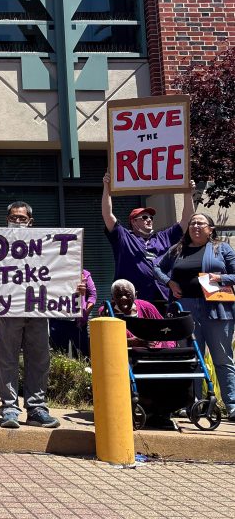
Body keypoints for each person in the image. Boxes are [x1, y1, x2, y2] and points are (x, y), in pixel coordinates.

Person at [0, 201, 85, 429]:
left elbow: (59, 273)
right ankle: (9, 408)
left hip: (38, 310)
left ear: (31, 221)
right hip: (8, 311)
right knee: (6, 359)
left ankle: (36, 408)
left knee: (39, 358)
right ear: (7, 218)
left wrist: (74, 288)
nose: (17, 221)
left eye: (22, 218)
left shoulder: (45, 247)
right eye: (13, 217)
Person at [154, 213, 235, 421]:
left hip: (217, 310)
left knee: (222, 358)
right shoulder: (177, 249)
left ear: (211, 229)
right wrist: (169, 282)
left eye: (201, 223)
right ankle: (193, 404)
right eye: (193, 223)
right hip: (185, 311)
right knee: (191, 359)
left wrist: (221, 277)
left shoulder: (221, 248)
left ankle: (232, 406)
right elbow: (156, 267)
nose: (196, 226)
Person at [102, 172, 195, 302]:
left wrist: (188, 193)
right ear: (134, 222)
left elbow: (187, 219)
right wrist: (107, 187)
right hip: (132, 299)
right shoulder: (124, 237)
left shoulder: (164, 237)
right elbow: (108, 215)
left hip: (163, 295)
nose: (149, 220)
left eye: (151, 217)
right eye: (144, 217)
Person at [93, 279, 175, 349]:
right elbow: (107, 342)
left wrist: (168, 349)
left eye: (127, 295)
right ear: (112, 297)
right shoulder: (106, 311)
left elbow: (164, 328)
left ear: (135, 295)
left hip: (153, 352)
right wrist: (134, 342)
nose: (123, 298)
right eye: (118, 295)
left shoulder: (146, 307)